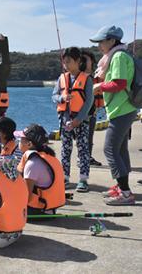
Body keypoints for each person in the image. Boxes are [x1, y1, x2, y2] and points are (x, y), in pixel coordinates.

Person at [91, 25, 137, 205]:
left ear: (111, 40)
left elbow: (118, 83)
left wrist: (98, 87)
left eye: (101, 41)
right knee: (120, 149)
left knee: (109, 149)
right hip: (123, 109)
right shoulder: (119, 55)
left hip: (122, 110)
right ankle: (122, 186)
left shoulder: (118, 57)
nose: (99, 45)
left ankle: (125, 193)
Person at [52, 47, 94, 192]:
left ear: (78, 61)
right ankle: (65, 177)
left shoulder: (87, 79)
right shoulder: (61, 78)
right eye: (64, 62)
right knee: (65, 148)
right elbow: (54, 96)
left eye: (68, 61)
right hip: (64, 119)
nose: (66, 65)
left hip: (81, 120)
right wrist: (62, 98)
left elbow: (89, 102)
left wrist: (79, 119)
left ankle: (83, 179)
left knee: (83, 148)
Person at [15, 124, 66, 215]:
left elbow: (27, 197)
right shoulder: (48, 157)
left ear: (29, 144)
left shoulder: (32, 164)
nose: (18, 141)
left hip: (39, 210)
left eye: (20, 139)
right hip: (49, 208)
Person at [80, 50, 104, 167]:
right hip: (81, 113)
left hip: (93, 112)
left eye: (86, 60)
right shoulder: (78, 77)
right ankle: (83, 158)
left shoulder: (96, 76)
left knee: (89, 137)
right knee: (83, 137)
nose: (83, 62)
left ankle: (87, 157)